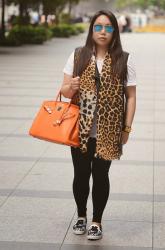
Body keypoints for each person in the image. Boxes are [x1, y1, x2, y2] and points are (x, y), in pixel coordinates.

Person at [61, 10, 136, 240]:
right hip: (80, 131)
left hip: (109, 131)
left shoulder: (124, 59)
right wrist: (72, 86)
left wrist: (126, 129)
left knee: (101, 176)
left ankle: (96, 221)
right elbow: (64, 92)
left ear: (115, 30)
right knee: (81, 175)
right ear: (92, 29)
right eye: (98, 27)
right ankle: (82, 216)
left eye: (108, 27)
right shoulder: (77, 56)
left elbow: (131, 97)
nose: (103, 32)